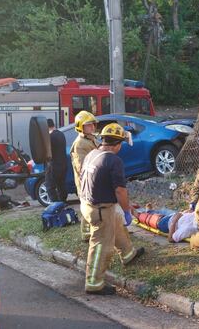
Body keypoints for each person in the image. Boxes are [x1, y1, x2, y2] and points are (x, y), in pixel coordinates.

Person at [80, 123, 145, 295]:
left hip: (87, 205)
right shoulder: (113, 160)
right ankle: (94, 283)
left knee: (115, 223)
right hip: (100, 209)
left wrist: (125, 207)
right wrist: (126, 210)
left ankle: (128, 254)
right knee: (102, 244)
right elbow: (120, 190)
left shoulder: (92, 154)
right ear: (117, 144)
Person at [71, 111, 99, 240]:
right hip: (85, 182)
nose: (92, 127)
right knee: (88, 208)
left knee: (89, 208)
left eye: (93, 124)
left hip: (92, 181)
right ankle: (87, 234)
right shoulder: (80, 144)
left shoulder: (91, 139)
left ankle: (87, 234)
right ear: (80, 126)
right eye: (89, 125)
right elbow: (81, 167)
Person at [46, 118, 68, 203]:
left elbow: (47, 152)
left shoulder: (50, 137)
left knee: (50, 186)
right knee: (61, 185)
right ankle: (63, 202)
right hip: (63, 164)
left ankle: (56, 204)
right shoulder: (61, 134)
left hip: (53, 165)